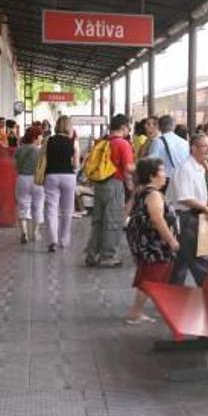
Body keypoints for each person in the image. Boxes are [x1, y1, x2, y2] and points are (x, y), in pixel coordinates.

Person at [124, 158, 180, 324]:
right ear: (152, 175)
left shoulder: (142, 190)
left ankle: (142, 309)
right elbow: (157, 219)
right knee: (153, 275)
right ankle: (135, 312)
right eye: (161, 171)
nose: (165, 175)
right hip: (154, 243)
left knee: (150, 273)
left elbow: (128, 210)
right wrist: (171, 240)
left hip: (146, 241)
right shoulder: (153, 194)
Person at [166, 134, 208, 285]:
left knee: (181, 260)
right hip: (184, 217)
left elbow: (199, 193)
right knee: (198, 258)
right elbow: (185, 198)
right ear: (193, 149)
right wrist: (206, 208)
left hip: (193, 215)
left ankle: (174, 291)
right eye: (204, 146)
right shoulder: (186, 169)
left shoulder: (199, 166)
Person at [83, 114, 134, 267]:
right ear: (124, 126)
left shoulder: (102, 141)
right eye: (128, 127)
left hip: (99, 185)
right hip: (114, 184)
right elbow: (128, 167)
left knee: (98, 220)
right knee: (112, 220)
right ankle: (108, 255)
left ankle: (92, 253)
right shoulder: (122, 144)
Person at [44, 116, 81, 254]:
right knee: (67, 210)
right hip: (68, 176)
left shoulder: (48, 140)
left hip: (51, 176)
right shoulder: (73, 143)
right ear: (69, 126)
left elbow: (43, 159)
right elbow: (76, 164)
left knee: (51, 209)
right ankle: (64, 240)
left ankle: (52, 240)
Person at [14, 126, 45, 244]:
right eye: (40, 135)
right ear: (36, 137)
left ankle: (24, 233)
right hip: (37, 181)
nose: (41, 138)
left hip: (22, 179)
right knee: (38, 206)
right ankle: (35, 233)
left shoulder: (19, 149)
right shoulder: (39, 151)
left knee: (23, 205)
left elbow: (15, 166)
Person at [147, 115, 189, 180]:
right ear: (174, 127)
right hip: (182, 179)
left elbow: (151, 164)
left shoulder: (157, 142)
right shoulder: (185, 142)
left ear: (159, 127)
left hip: (165, 180)